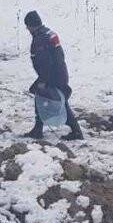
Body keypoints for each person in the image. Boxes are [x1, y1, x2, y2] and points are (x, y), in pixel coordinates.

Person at [23, 10, 84, 141]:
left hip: (53, 75)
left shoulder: (40, 39)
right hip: (60, 72)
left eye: (27, 25)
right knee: (42, 96)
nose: (27, 28)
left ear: (32, 25)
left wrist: (44, 80)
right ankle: (38, 129)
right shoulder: (48, 33)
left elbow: (45, 63)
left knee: (59, 101)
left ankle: (76, 132)